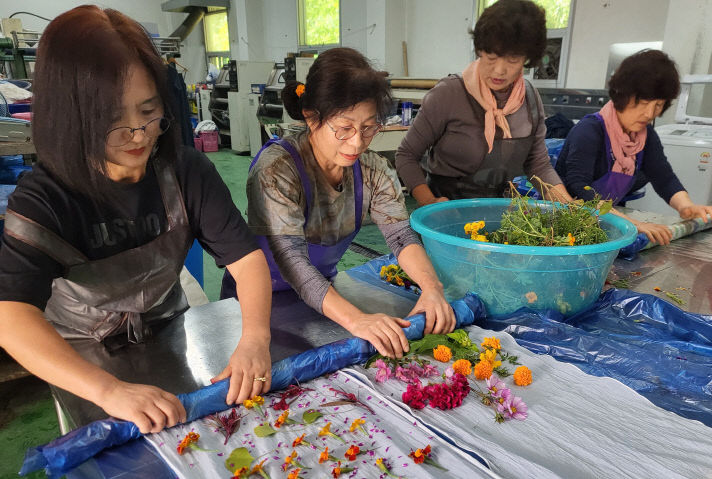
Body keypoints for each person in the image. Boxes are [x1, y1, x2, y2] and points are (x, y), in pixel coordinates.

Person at [0, 6, 272, 434]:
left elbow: (247, 259)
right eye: (113, 120)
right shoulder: (45, 200)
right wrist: (107, 390)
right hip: (83, 353)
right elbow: (11, 316)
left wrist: (255, 338)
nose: (139, 135)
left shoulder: (185, 172)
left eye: (148, 112)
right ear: (71, 117)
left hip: (168, 327)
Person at [221, 48, 456, 358]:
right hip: (254, 308)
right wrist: (357, 319)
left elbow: (401, 236)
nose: (357, 142)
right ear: (311, 116)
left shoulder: (372, 170)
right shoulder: (278, 169)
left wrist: (431, 288)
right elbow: (290, 259)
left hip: (321, 300)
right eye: (344, 128)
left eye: (368, 127)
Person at [395, 0, 572, 206]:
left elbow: (538, 165)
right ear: (480, 49)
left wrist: (570, 206)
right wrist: (429, 201)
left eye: (512, 59)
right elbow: (406, 155)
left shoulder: (530, 99)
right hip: (445, 212)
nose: (499, 70)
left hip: (499, 211)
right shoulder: (449, 94)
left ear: (528, 58)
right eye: (491, 56)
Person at [555, 49, 712, 245]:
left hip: (602, 223)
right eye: (643, 103)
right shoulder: (590, 130)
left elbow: (664, 178)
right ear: (622, 96)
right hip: (564, 225)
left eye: (658, 105)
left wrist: (687, 207)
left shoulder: (645, 137)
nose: (650, 113)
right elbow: (579, 187)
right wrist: (631, 223)